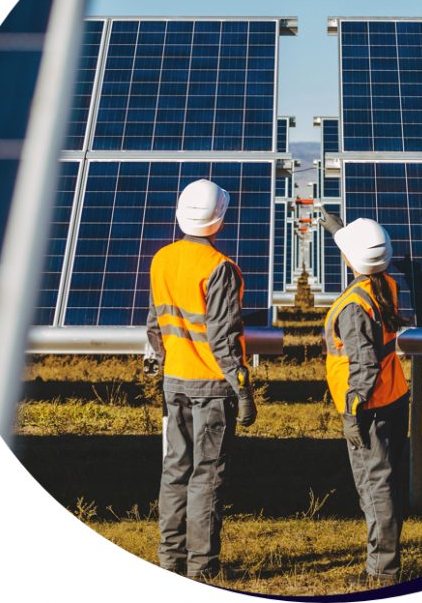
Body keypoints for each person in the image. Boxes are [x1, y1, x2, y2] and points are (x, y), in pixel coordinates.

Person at [146, 178, 257, 580]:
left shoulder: (161, 259)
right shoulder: (219, 268)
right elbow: (224, 338)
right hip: (211, 387)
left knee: (175, 470)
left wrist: (162, 362)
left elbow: (156, 322)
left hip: (174, 380)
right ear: (219, 220)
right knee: (206, 478)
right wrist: (243, 389)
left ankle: (169, 559)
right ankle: (201, 569)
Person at [320, 213, 409, 586]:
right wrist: (340, 231)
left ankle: (382, 572)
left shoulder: (354, 305)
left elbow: (363, 365)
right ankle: (384, 561)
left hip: (368, 407)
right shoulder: (384, 284)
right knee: (386, 480)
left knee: (375, 486)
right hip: (392, 396)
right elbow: (367, 258)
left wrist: (352, 413)